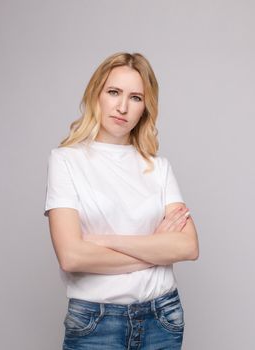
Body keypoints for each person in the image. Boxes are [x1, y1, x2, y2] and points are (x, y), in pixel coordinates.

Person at [43, 52, 199, 350]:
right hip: (96, 322)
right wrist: (157, 247)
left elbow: (188, 247)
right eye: (114, 92)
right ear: (96, 95)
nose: (123, 107)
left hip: (163, 316)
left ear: (146, 107)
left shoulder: (159, 167)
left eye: (136, 97)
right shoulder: (65, 161)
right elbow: (72, 257)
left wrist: (101, 241)